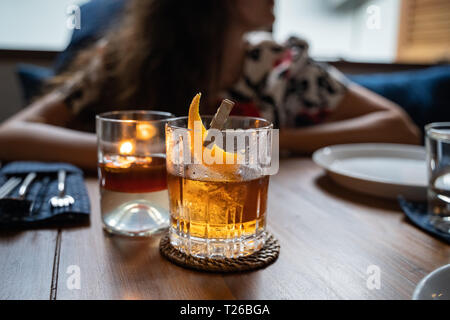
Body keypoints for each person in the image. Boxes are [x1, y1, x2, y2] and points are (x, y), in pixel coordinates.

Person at [0, 0, 420, 170]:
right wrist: (157, 153)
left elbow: (400, 129)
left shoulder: (283, 67)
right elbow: (12, 136)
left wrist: (268, 141)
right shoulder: (121, 61)